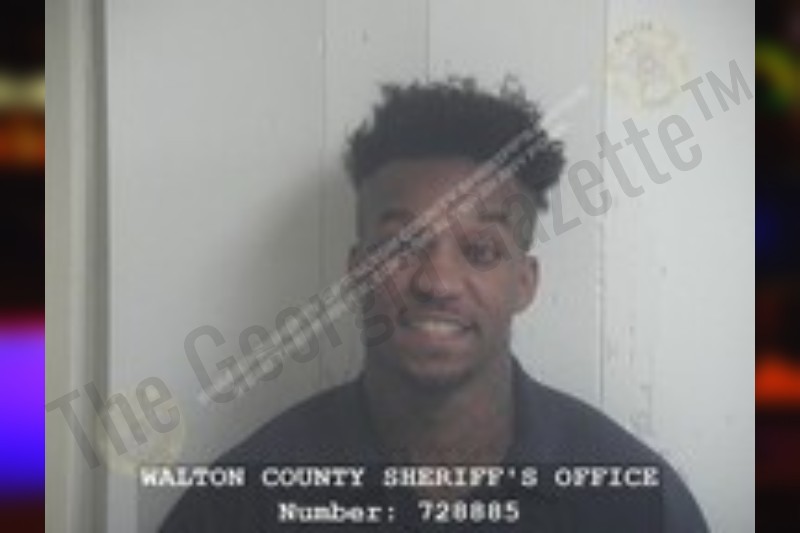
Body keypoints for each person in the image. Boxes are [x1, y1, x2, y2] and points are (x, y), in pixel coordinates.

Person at [160, 78, 708, 532]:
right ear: (357, 271)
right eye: (401, 246)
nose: (438, 282)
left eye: (480, 251)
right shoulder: (242, 505)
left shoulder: (635, 504)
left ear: (524, 282)